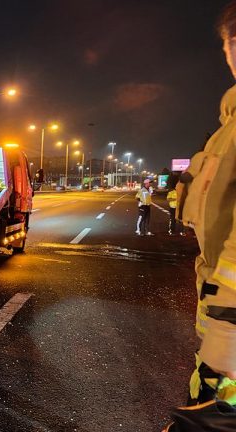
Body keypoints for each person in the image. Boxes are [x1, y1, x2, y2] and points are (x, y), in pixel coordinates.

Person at [165, 3, 236, 429]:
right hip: (220, 326)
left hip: (230, 338)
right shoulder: (228, 124)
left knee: (216, 412)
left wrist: (226, 344)